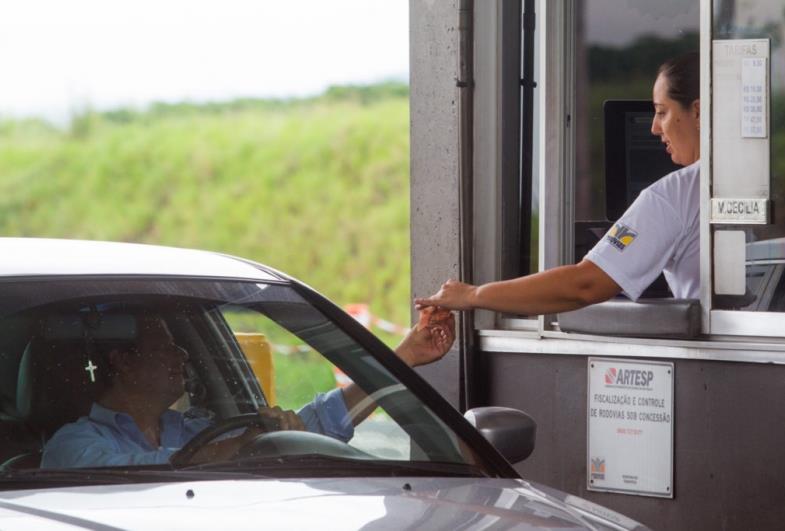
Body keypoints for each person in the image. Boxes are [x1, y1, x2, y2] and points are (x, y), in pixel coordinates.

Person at [416, 52, 700, 316]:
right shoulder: (731, 183)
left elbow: (585, 284)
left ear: (697, 112)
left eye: (662, 112)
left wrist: (473, 295)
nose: (653, 127)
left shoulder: (673, 196)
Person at [41, 310, 454, 468]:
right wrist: (248, 445)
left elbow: (315, 424)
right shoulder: (73, 445)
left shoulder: (196, 427)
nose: (182, 355)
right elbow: (145, 468)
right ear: (123, 362)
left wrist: (403, 358)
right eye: (166, 346)